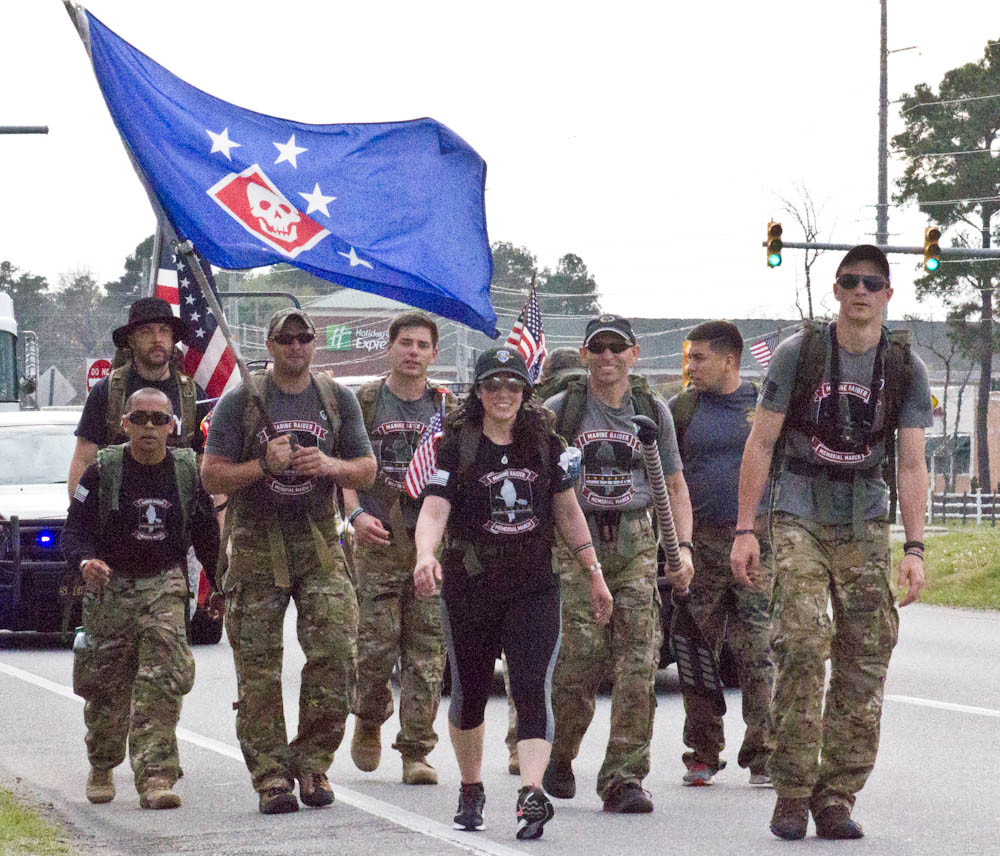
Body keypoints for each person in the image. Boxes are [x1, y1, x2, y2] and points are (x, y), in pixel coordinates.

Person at [730, 245, 931, 841]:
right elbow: (761, 443)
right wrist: (745, 529)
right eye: (850, 282)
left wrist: (915, 548)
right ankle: (792, 791)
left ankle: (836, 795)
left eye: (871, 282)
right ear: (836, 291)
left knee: (866, 652)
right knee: (801, 640)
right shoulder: (801, 354)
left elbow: (912, 463)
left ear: (888, 294)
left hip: (864, 517)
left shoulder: (904, 367)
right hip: (799, 510)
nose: (860, 291)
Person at [413, 348, 612, 840]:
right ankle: (471, 787)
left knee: (531, 687)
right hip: (471, 584)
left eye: (513, 386)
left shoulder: (544, 443)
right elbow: (435, 508)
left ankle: (531, 793)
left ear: (525, 392)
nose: (503, 394)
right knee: (470, 692)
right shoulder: (456, 445)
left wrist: (594, 571)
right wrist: (425, 554)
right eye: (493, 385)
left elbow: (567, 511)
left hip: (533, 585)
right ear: (479, 392)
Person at [201, 307, 376, 815]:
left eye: (303, 338)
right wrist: (263, 465)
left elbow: (366, 470)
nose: (295, 346)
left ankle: (313, 761)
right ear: (270, 345)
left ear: (314, 343)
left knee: (337, 652)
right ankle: (271, 775)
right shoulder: (241, 401)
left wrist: (329, 464)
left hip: (319, 541)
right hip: (256, 542)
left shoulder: (336, 398)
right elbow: (211, 476)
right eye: (285, 338)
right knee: (258, 667)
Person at [542, 314, 694, 813]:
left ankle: (624, 777)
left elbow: (675, 485)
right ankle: (560, 752)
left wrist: (684, 549)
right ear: (585, 354)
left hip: (635, 542)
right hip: (576, 542)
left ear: (634, 353)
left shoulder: (652, 410)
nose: (608, 356)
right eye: (599, 348)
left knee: (638, 663)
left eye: (617, 347)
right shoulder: (560, 412)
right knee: (579, 661)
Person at [62, 388, 221, 809]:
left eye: (159, 419)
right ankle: (102, 762)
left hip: (163, 585)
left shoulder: (186, 474)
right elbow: (73, 531)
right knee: (107, 691)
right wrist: (86, 561)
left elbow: (206, 535)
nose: (149, 427)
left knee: (161, 682)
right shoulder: (101, 473)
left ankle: (156, 777)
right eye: (140, 418)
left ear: (172, 426)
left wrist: (220, 584)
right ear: (125, 424)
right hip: (110, 588)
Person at [345, 310, 455, 785]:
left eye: (422, 345)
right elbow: (345, 466)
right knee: (374, 647)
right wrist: (354, 515)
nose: (413, 352)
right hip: (378, 539)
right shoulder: (365, 402)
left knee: (427, 650)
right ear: (389, 348)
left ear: (434, 354)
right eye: (405, 343)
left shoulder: (448, 407)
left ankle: (416, 750)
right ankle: (369, 717)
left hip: (430, 544)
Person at [668, 320, 774, 786]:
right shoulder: (682, 409)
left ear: (729, 359)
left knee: (759, 650)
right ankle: (703, 752)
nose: (690, 367)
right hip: (701, 544)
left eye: (699, 358)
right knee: (695, 650)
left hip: (757, 543)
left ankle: (764, 753)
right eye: (688, 357)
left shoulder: (763, 404)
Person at [69, 297, 209, 496]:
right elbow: (83, 460)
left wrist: (216, 512)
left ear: (173, 339)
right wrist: (78, 509)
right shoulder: (107, 391)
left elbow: (207, 463)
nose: (157, 339)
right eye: (146, 331)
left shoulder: (192, 395)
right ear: (131, 341)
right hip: (118, 510)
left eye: (164, 331)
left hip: (178, 510)